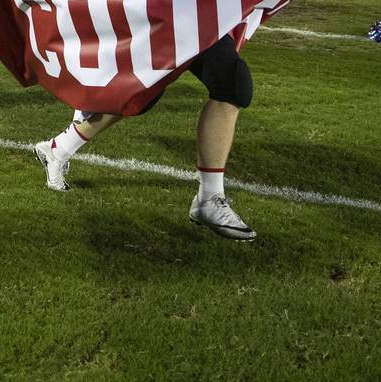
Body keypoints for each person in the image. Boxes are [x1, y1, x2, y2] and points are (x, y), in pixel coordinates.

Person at [33, 35, 257, 242]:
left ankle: (210, 197)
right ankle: (59, 148)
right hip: (165, 9)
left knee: (233, 85)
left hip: (199, 11)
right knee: (140, 93)